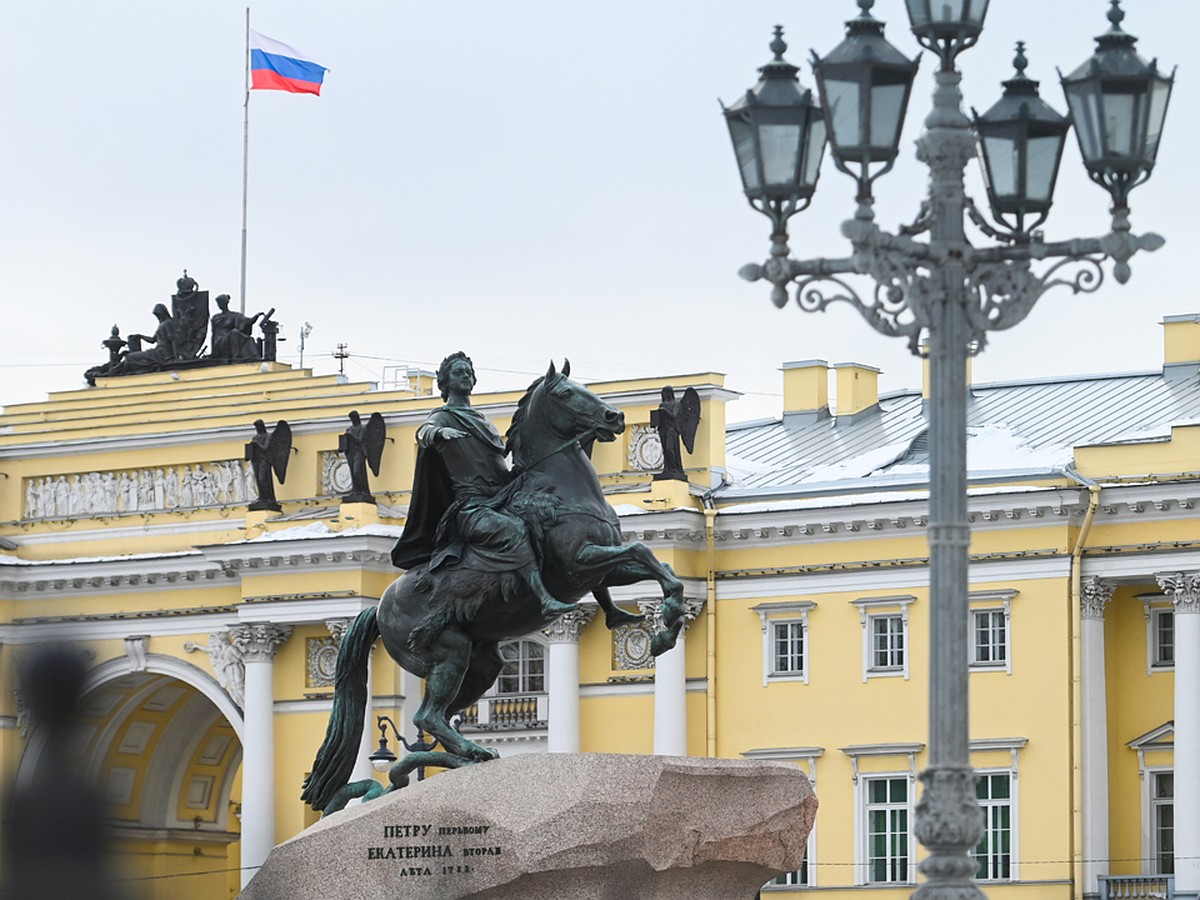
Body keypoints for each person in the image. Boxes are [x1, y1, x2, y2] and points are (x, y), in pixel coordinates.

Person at [391, 351, 573, 625]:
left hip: (499, 498)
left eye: (468, 371)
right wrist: (438, 433)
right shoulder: (443, 416)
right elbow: (424, 432)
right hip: (471, 508)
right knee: (514, 530)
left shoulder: (482, 419)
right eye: (458, 372)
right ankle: (543, 599)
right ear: (444, 382)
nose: (465, 375)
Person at [211, 294, 263, 360]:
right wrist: (213, 350)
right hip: (219, 342)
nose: (219, 305)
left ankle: (254, 357)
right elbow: (213, 334)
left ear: (226, 303)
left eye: (220, 302)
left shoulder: (234, 315)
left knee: (249, 339)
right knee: (235, 332)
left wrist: (256, 315)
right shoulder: (216, 318)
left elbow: (248, 322)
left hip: (230, 340)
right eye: (218, 303)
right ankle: (236, 357)